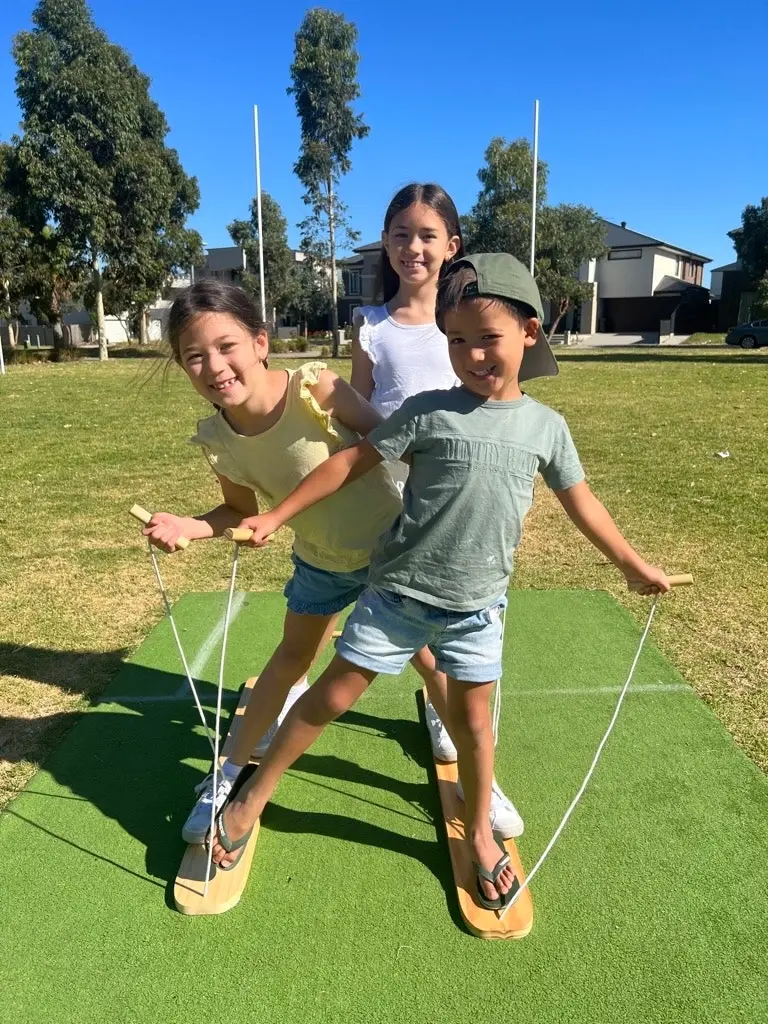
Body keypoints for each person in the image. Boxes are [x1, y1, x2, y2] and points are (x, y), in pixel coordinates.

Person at [207, 253, 670, 910]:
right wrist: (275, 516)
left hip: (478, 609)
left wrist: (632, 564)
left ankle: (479, 834)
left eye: (488, 338)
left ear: (529, 333)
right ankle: (252, 796)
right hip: (396, 595)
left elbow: (582, 503)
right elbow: (347, 464)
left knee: (476, 726)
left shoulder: (547, 428)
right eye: (456, 340)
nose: (472, 354)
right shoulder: (428, 411)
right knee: (328, 699)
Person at [142, 279, 512, 847]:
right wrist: (188, 527)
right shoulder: (219, 436)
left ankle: (480, 782)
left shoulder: (316, 386)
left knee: (432, 664)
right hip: (320, 561)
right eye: (194, 357)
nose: (213, 366)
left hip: (394, 557)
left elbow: (392, 439)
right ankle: (227, 775)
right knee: (290, 660)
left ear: (261, 342)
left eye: (225, 347)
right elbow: (236, 510)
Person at [350, 184, 520, 831]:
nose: (411, 247)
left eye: (426, 235)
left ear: (452, 246)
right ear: (385, 243)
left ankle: (472, 761)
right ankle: (466, 747)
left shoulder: (471, 323)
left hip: (460, 508)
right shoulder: (369, 326)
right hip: (388, 501)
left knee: (459, 633)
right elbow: (358, 418)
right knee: (414, 631)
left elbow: (496, 407)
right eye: (399, 234)